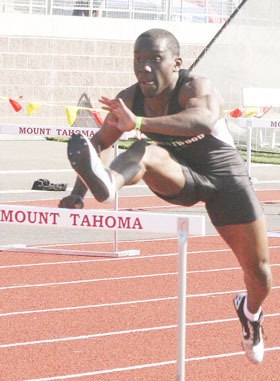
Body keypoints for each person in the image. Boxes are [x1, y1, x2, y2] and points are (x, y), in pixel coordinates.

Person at [59, 28, 272, 364]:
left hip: (225, 177)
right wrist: (77, 193)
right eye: (138, 60)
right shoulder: (129, 99)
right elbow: (97, 143)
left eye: (153, 59)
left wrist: (139, 122)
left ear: (176, 63)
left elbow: (201, 120)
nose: (143, 67)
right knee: (145, 151)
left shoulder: (195, 86)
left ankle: (250, 312)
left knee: (260, 273)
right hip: (178, 175)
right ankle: (109, 183)